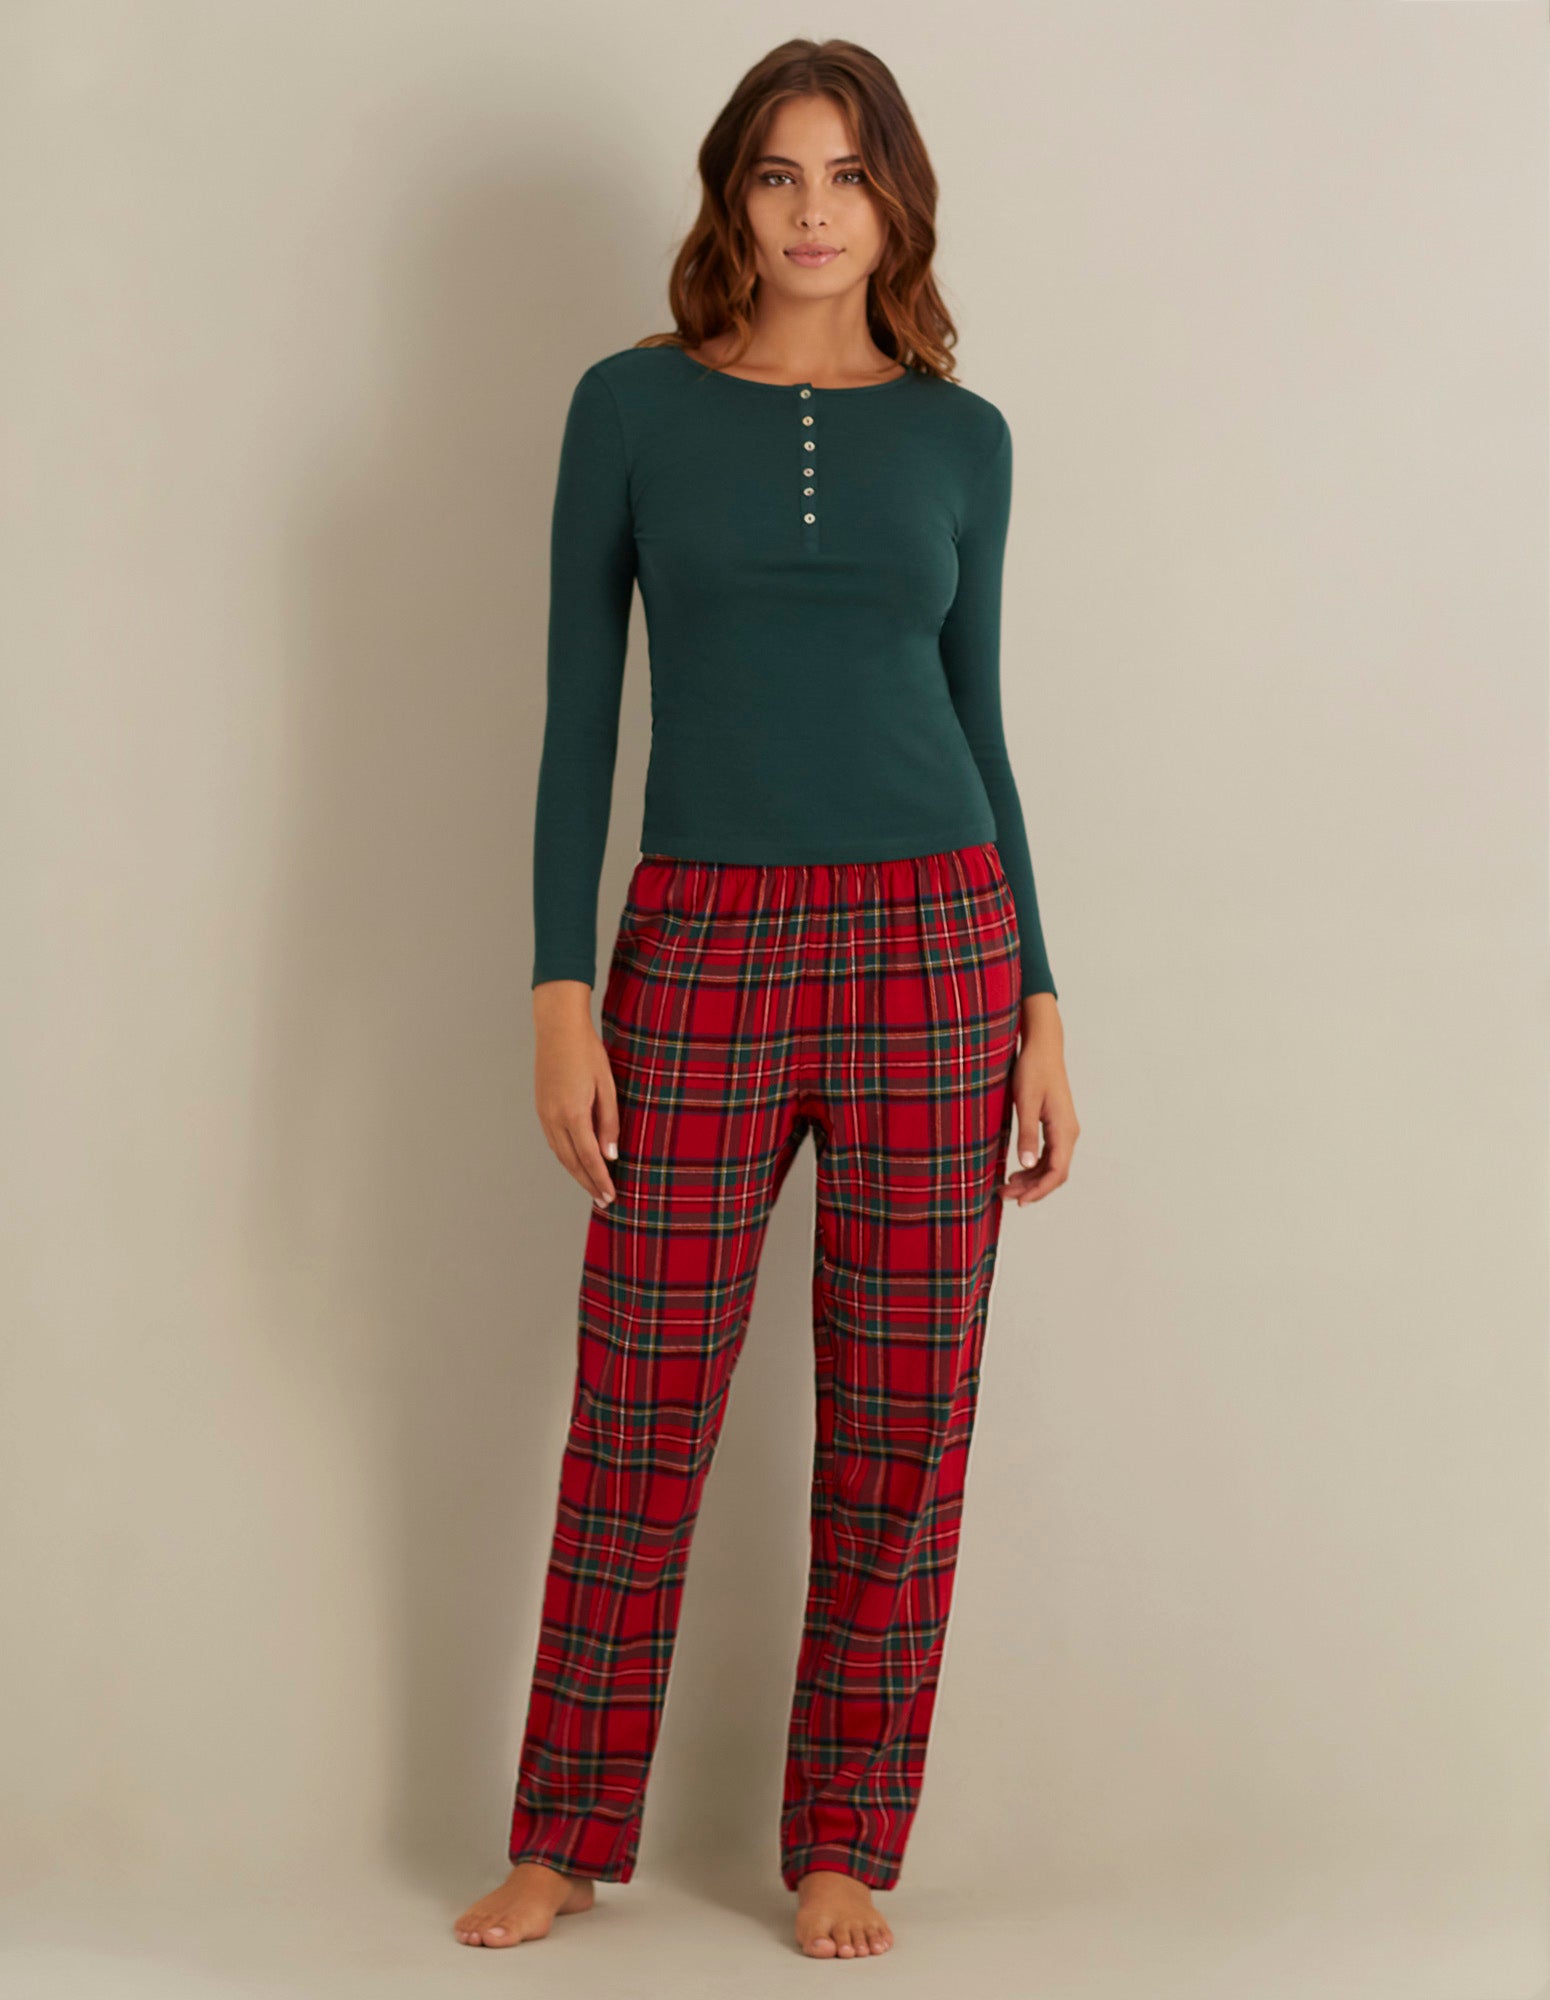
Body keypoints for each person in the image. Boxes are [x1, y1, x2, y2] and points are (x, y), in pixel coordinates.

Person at [454, 35, 1079, 1962]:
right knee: (641, 1399)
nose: (814, 210)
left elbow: (978, 720)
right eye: (778, 174)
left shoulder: (962, 439)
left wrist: (1042, 998)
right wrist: (562, 991)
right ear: (733, 196)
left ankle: (843, 1840)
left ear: (896, 202)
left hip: (937, 947)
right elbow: (578, 717)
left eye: (848, 174)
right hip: (702, 946)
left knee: (903, 1410)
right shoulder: (628, 408)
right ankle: (566, 1832)